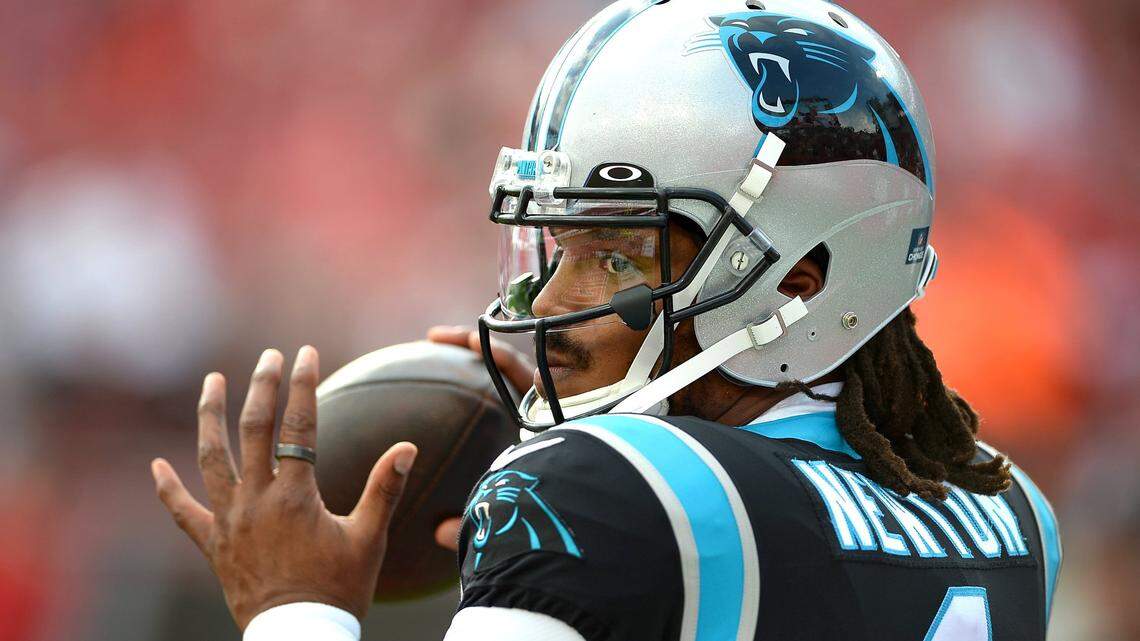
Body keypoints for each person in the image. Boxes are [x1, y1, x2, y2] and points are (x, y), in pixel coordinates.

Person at [151, 1, 1062, 639]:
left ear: (799, 283)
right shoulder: (1012, 511)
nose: (547, 303)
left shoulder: (598, 487)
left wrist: (295, 605)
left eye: (616, 256)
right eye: (560, 251)